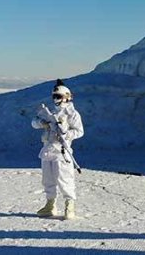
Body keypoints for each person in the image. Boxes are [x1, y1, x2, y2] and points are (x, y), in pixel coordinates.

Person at [31, 79, 84, 219]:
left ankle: (69, 204)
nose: (56, 99)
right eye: (54, 96)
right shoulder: (50, 112)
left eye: (59, 96)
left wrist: (66, 134)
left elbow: (79, 131)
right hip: (48, 149)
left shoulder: (72, 114)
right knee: (48, 179)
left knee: (64, 179)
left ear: (67, 96)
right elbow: (34, 122)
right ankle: (50, 204)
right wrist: (42, 123)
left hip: (62, 152)